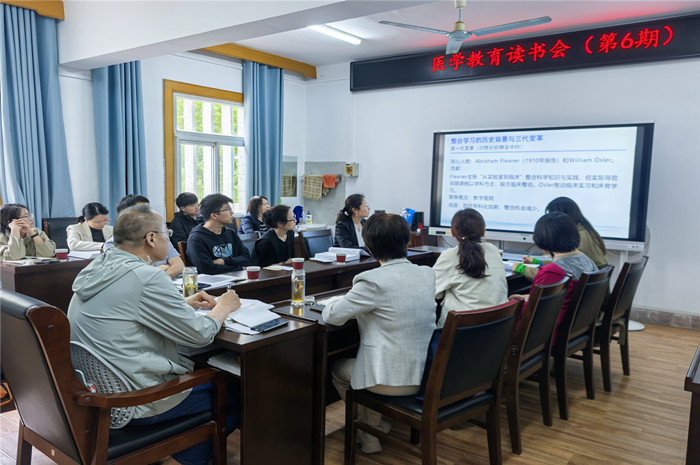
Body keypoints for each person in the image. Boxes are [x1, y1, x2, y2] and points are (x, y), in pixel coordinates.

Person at [68, 205, 241, 465]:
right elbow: (199, 334)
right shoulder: (146, 277)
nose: (169, 239)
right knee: (240, 391)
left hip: (100, 393)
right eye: (166, 233)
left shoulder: (97, 267)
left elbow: (124, 309)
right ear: (151, 238)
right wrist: (224, 307)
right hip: (138, 399)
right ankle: (188, 459)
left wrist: (182, 303)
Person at [322, 213, 436, 454]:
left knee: (338, 368)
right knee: (368, 365)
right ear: (408, 242)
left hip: (387, 381)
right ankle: (374, 426)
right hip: (427, 374)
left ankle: (367, 432)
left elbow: (332, 317)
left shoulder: (371, 281)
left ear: (370, 247)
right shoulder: (427, 273)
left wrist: (338, 301)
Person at [510, 212, 598, 339]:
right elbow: (557, 298)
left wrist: (513, 304)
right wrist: (527, 297)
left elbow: (533, 312)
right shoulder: (587, 261)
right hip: (575, 329)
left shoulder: (552, 272)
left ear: (543, 239)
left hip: (543, 336)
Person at [433, 208, 508, 327]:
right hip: (497, 330)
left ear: (452, 232)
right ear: (483, 231)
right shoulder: (494, 251)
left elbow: (432, 291)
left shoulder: (449, 256)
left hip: (459, 333)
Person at [517, 197, 609, 280]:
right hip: (588, 288)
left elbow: (557, 273)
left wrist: (522, 269)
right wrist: (540, 262)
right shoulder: (584, 230)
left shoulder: (579, 238)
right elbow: (567, 264)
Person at [103, 194, 184, 278]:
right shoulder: (113, 244)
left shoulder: (159, 236)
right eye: (143, 211)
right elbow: (131, 277)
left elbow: (179, 266)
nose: (150, 215)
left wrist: (157, 276)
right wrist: (162, 269)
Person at [187, 193, 252, 274]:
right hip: (212, 280)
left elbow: (246, 259)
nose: (232, 213)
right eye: (227, 209)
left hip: (236, 277)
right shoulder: (196, 238)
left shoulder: (231, 233)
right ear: (214, 216)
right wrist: (240, 268)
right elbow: (207, 268)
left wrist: (224, 261)